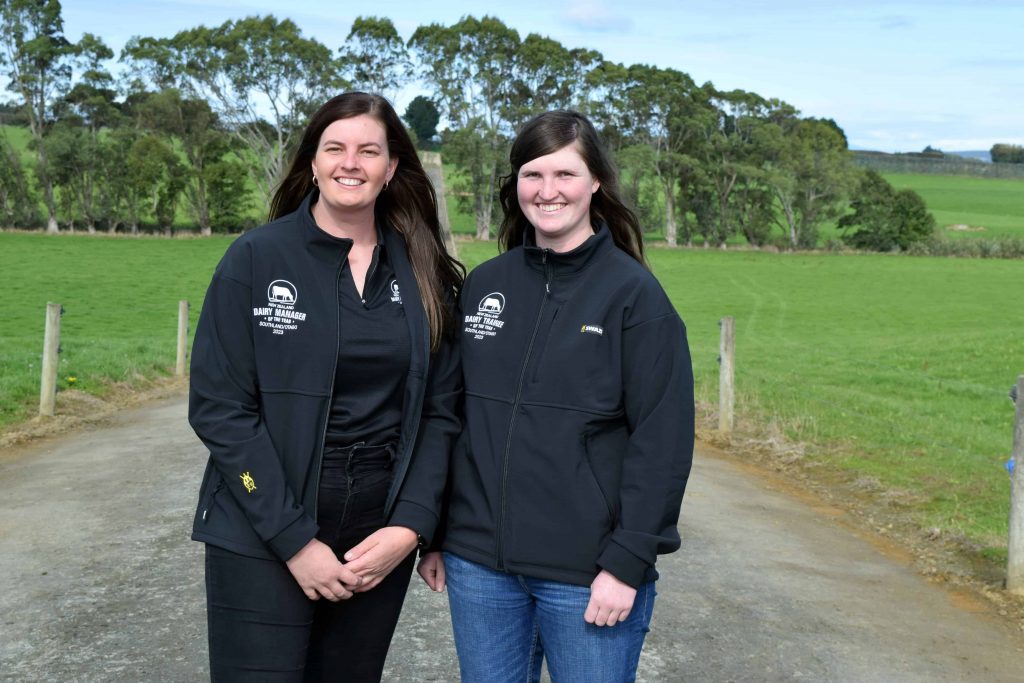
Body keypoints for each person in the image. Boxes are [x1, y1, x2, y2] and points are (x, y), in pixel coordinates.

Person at [188, 92, 463, 682]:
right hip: (263, 529)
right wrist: (294, 541)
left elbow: (442, 414)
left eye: (369, 151)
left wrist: (409, 527)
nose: (350, 163)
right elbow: (219, 410)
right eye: (334, 147)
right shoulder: (256, 258)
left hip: (376, 535)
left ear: (392, 169)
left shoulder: (423, 271)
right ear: (312, 162)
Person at [416, 110, 694, 682]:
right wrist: (437, 532)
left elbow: (662, 441)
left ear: (595, 183)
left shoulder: (634, 297)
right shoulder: (485, 286)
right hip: (480, 569)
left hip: (587, 574)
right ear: (515, 184)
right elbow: (449, 416)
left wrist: (628, 560)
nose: (547, 192)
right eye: (532, 175)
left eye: (565, 175)